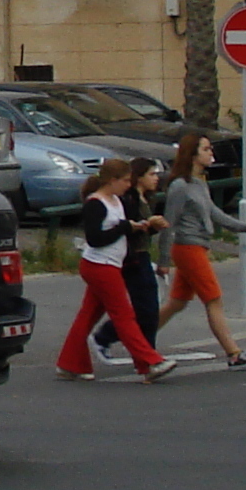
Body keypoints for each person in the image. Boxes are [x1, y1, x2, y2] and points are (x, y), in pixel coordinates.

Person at [58, 156, 172, 382]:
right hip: (100, 265)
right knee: (124, 315)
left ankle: (69, 363)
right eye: (125, 180)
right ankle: (149, 362)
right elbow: (95, 239)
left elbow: (123, 232)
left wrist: (144, 228)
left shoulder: (116, 201)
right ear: (112, 180)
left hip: (111, 264)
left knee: (88, 315)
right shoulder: (95, 204)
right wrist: (124, 227)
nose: (129, 185)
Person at [156, 131, 246, 369]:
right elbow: (168, 223)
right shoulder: (180, 186)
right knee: (213, 299)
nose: (211, 153)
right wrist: (163, 260)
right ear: (192, 155)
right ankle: (233, 352)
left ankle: (139, 339)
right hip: (187, 247)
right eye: (205, 149)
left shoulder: (198, 183)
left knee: (177, 302)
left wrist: (245, 227)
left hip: (197, 246)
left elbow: (214, 213)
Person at [91, 156, 170, 366]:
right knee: (142, 310)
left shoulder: (145, 199)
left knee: (145, 309)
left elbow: (140, 231)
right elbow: (124, 229)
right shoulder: (128, 200)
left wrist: (152, 227)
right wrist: (144, 224)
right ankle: (141, 354)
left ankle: (145, 354)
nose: (156, 179)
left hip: (140, 255)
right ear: (139, 177)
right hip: (130, 259)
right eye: (151, 174)